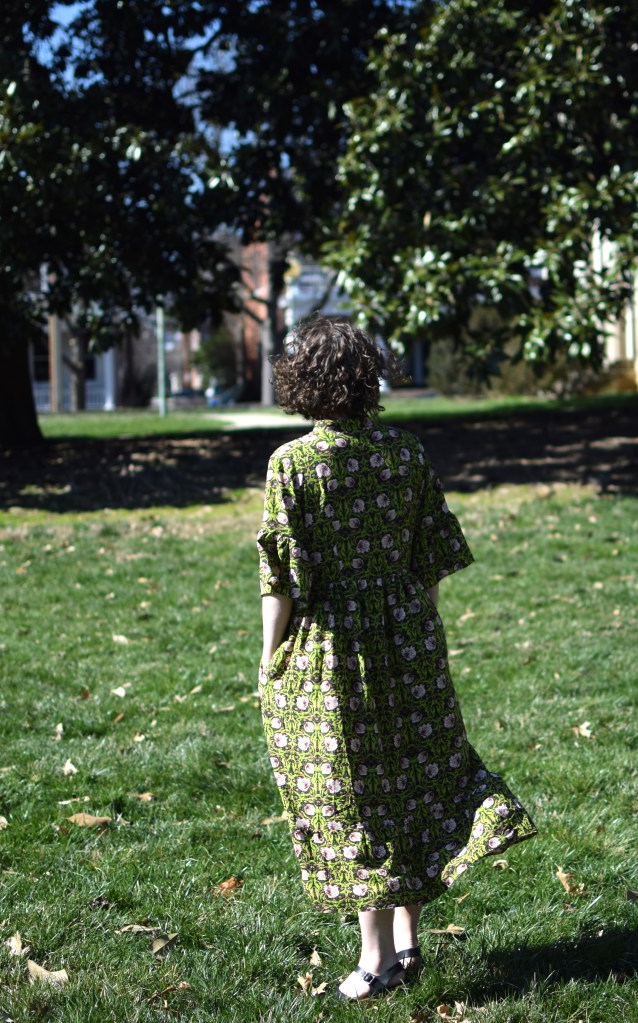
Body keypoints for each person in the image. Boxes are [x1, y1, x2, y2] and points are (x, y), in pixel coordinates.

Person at [256, 316, 537, 1001]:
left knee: (352, 792)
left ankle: (374, 958)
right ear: (367, 378)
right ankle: (407, 941)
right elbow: (432, 555)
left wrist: (268, 659)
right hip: (409, 634)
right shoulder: (406, 453)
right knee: (412, 773)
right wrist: (420, 627)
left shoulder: (292, 464)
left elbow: (282, 580)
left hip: (331, 649)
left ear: (303, 383)